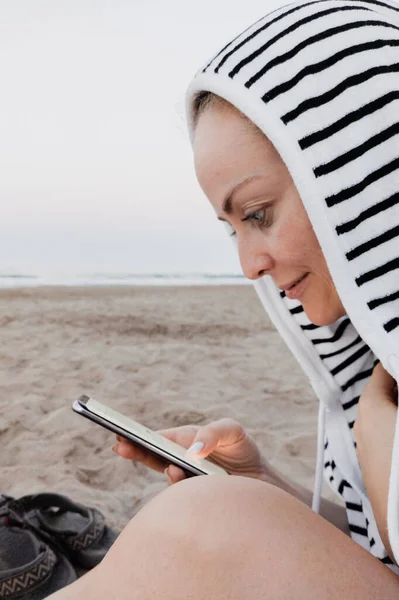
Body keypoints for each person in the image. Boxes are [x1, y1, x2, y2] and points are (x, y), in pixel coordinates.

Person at [50, 0, 399, 597]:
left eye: (259, 214)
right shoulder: (372, 369)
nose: (249, 266)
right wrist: (263, 488)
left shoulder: (378, 398)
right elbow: (376, 552)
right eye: (232, 228)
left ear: (365, 177)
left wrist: (379, 428)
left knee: (208, 522)